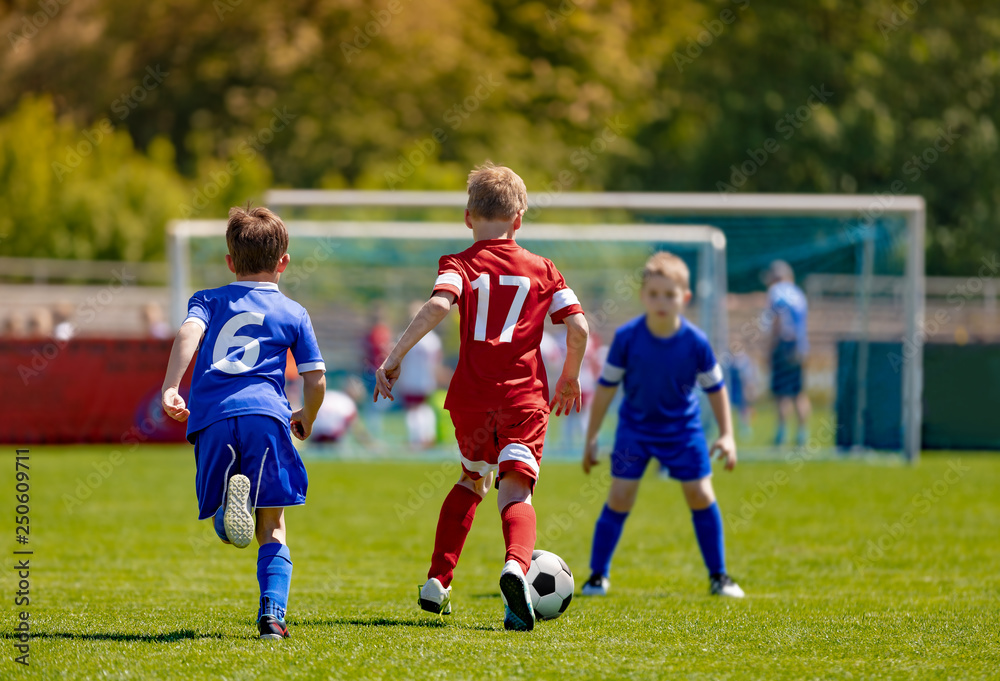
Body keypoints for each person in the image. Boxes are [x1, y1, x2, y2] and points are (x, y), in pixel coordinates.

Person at [373, 162, 589, 631]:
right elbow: (579, 326)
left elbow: (436, 304)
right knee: (515, 489)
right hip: (523, 399)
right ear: (520, 217)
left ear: (468, 216)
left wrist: (395, 356)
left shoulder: (458, 264)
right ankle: (516, 564)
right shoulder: (542, 269)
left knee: (473, 479)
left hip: (470, 397)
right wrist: (570, 377)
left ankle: (437, 581)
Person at [160, 205, 327, 640]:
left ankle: (222, 514)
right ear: (284, 262)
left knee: (225, 518)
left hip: (212, 417)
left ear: (230, 262)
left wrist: (170, 386)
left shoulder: (208, 299)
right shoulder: (294, 312)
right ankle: (272, 616)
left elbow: (188, 335)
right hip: (266, 417)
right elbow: (316, 379)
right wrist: (306, 417)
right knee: (273, 526)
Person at [581, 251, 744, 599]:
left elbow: (716, 389)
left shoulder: (696, 342)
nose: (661, 301)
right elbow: (606, 389)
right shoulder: (627, 339)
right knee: (620, 496)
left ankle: (719, 576)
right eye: (653, 294)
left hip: (683, 432)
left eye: (669, 295)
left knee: (700, 494)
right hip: (634, 432)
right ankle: (597, 576)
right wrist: (592, 436)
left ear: (684, 298)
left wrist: (728, 435)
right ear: (642, 296)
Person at [764, 260, 810, 446]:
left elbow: (776, 321)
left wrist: (770, 348)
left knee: (782, 393)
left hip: (783, 345)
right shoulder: (799, 294)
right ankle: (802, 434)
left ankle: (781, 434)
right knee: (798, 392)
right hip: (799, 347)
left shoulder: (776, 292)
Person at [395, 300, 444, 449]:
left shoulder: (403, 337)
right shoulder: (433, 340)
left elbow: (397, 360)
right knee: (423, 408)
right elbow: (437, 362)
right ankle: (427, 437)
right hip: (426, 380)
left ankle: (416, 439)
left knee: (412, 410)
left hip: (409, 379)